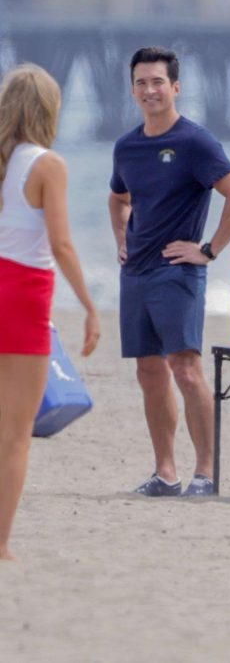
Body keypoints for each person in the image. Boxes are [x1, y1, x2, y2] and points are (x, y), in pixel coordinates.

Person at [108, 46, 230, 497]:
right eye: (141, 82)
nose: (149, 90)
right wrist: (121, 240)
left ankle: (206, 474)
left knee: (186, 370)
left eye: (157, 82)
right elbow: (118, 197)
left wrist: (208, 250)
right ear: (132, 89)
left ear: (175, 87)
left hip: (177, 273)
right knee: (149, 373)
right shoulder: (127, 145)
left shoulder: (195, 142)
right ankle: (165, 473)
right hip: (136, 275)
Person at [0, 64, 101, 560]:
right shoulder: (48, 165)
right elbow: (60, 242)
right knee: (15, 435)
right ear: (49, 109)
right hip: (22, 294)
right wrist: (89, 305)